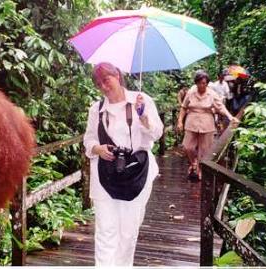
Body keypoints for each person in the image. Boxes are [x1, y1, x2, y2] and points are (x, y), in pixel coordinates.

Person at [83, 62, 163, 266]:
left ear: (117, 76)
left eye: (106, 80)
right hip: (105, 175)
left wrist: (143, 116)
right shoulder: (97, 109)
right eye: (98, 83)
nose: (103, 86)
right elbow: (88, 140)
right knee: (105, 230)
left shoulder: (141, 101)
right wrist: (98, 149)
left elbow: (157, 134)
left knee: (128, 231)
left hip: (137, 174)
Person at [177, 71, 238, 181]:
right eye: (200, 83)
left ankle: (199, 169)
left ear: (207, 83)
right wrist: (180, 121)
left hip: (207, 124)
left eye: (204, 83)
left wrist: (230, 117)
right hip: (191, 122)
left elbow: (221, 107)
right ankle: (193, 163)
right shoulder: (191, 92)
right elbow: (183, 107)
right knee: (187, 147)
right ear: (196, 83)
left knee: (204, 150)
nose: (202, 85)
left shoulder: (212, 94)